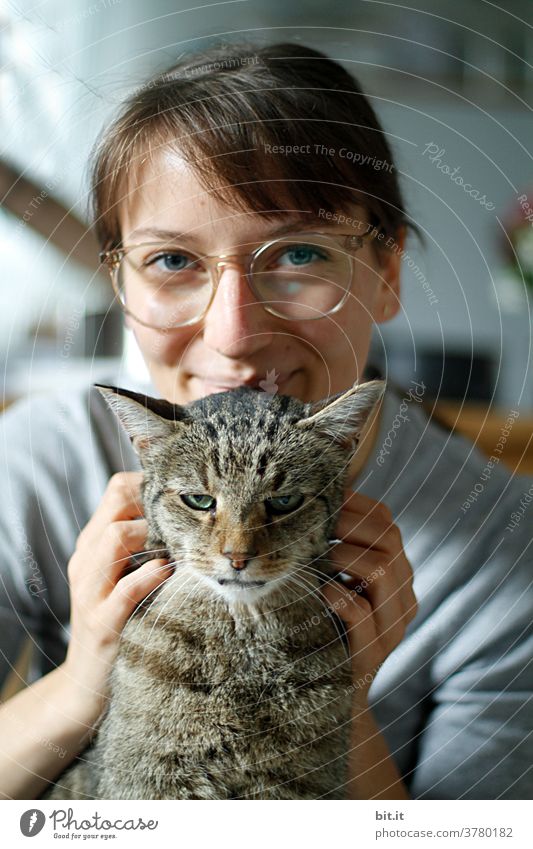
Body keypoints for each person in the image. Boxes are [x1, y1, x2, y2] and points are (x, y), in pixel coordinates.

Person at [0, 41, 531, 801]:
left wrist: (332, 699)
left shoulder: (510, 552)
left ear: (386, 274)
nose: (233, 334)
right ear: (119, 282)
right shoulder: (31, 460)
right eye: (173, 261)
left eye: (300, 254)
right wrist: (86, 677)